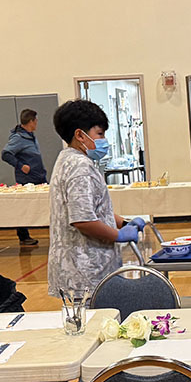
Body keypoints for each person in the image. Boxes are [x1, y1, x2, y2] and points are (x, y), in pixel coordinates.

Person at [47, 99, 145, 296]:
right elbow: (83, 219)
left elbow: (90, 207)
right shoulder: (80, 166)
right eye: (99, 134)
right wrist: (118, 235)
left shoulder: (67, 159)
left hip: (81, 267)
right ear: (79, 135)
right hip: (85, 269)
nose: (104, 140)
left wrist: (123, 222)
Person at [1, 108, 46, 246]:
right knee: (24, 207)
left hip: (39, 175)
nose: (37, 122)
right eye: (36, 120)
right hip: (27, 178)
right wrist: (20, 166)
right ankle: (23, 236)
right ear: (31, 121)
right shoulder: (18, 138)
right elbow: (5, 154)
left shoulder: (30, 136)